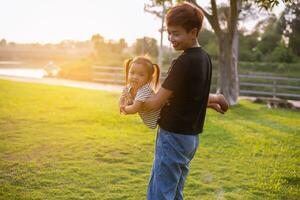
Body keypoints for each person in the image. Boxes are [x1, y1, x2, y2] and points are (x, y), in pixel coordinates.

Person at [137, 2, 228, 199]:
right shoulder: (204, 58)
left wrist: (133, 100)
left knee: (160, 194)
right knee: (174, 191)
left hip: (173, 136)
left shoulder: (183, 62)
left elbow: (154, 103)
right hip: (189, 139)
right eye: (169, 33)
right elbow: (191, 97)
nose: (171, 39)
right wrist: (214, 100)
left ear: (193, 32)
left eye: (176, 33)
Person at [119, 56, 161, 129]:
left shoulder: (144, 90)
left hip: (164, 118)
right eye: (132, 73)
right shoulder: (128, 87)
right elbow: (122, 99)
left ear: (149, 79)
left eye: (141, 75)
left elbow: (134, 109)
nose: (135, 77)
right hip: (158, 124)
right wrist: (122, 104)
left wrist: (123, 109)